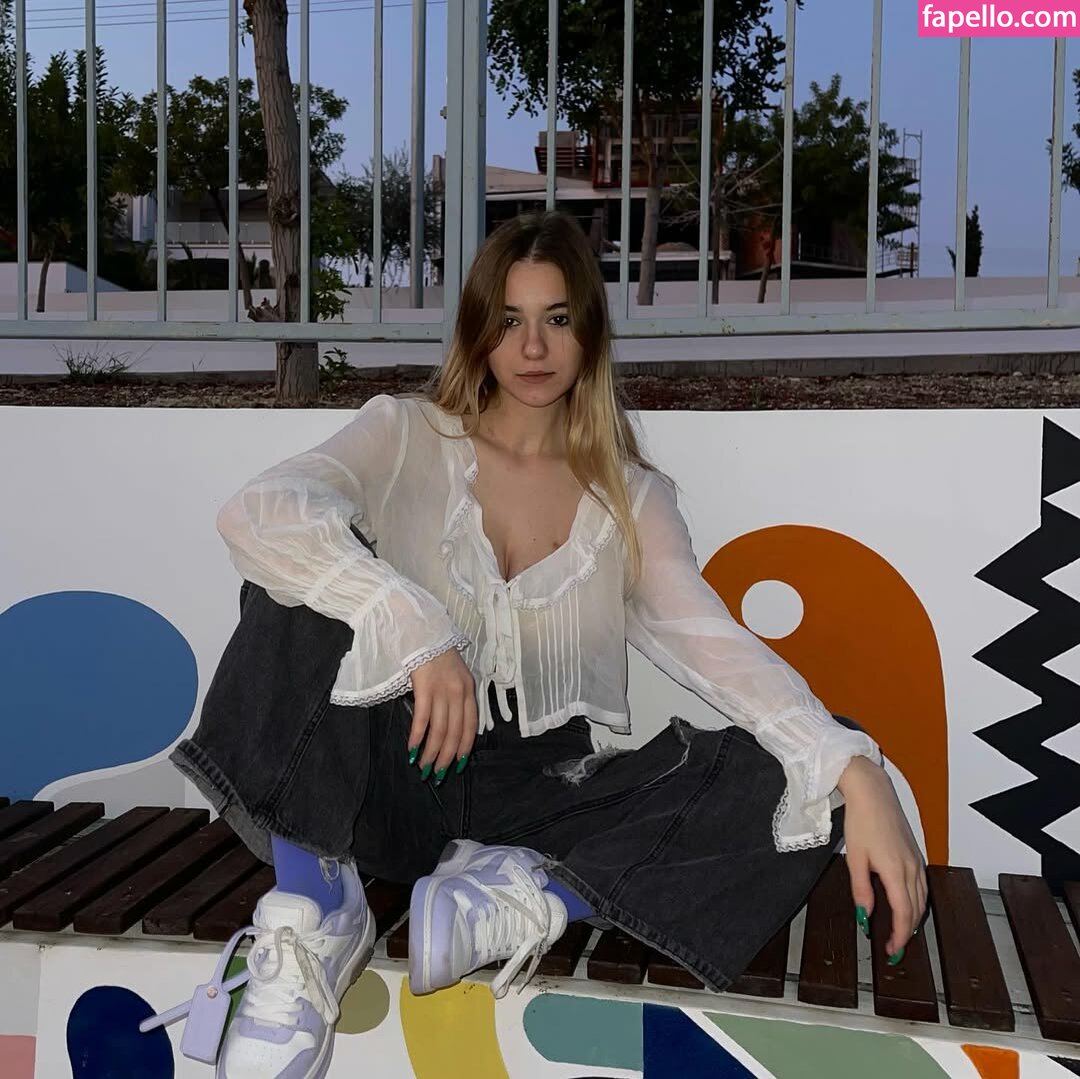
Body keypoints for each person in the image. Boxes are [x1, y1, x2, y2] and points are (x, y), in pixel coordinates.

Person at [166, 210, 926, 1079]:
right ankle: (314, 905)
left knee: (809, 772)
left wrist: (857, 770)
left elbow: (712, 644)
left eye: (557, 318)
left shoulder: (629, 497)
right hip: (389, 775)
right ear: (478, 332)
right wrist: (413, 624)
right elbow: (258, 512)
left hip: (541, 801)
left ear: (589, 332)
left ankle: (534, 897)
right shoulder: (405, 433)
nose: (533, 347)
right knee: (298, 579)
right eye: (510, 319)